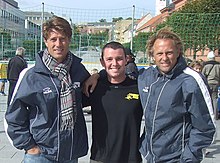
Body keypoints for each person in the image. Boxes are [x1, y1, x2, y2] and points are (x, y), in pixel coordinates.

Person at [84, 28, 216, 163]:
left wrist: (189, 159)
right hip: (150, 157)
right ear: (153, 55)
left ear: (178, 52)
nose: (164, 58)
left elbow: (206, 127)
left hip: (177, 158)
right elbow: (116, 72)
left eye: (169, 53)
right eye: (159, 53)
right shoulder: (146, 77)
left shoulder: (191, 80)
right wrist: (98, 75)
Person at [5, 16, 90, 163]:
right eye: (53, 39)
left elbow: (89, 95)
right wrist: (29, 145)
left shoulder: (78, 70)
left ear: (69, 40)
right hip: (40, 154)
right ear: (46, 41)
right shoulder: (32, 75)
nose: (58, 44)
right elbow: (14, 114)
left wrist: (98, 76)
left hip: (69, 154)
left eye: (62, 38)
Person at [84, 41, 143, 163]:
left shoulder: (139, 88)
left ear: (126, 60)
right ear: (102, 62)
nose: (114, 64)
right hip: (100, 159)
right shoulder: (94, 88)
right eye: (109, 59)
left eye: (119, 59)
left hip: (131, 159)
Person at [202, 51, 220, 120]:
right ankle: (215, 115)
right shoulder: (218, 65)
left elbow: (203, 75)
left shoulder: (206, 65)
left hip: (208, 83)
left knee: (208, 99)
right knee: (214, 99)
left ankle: (209, 114)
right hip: (216, 83)